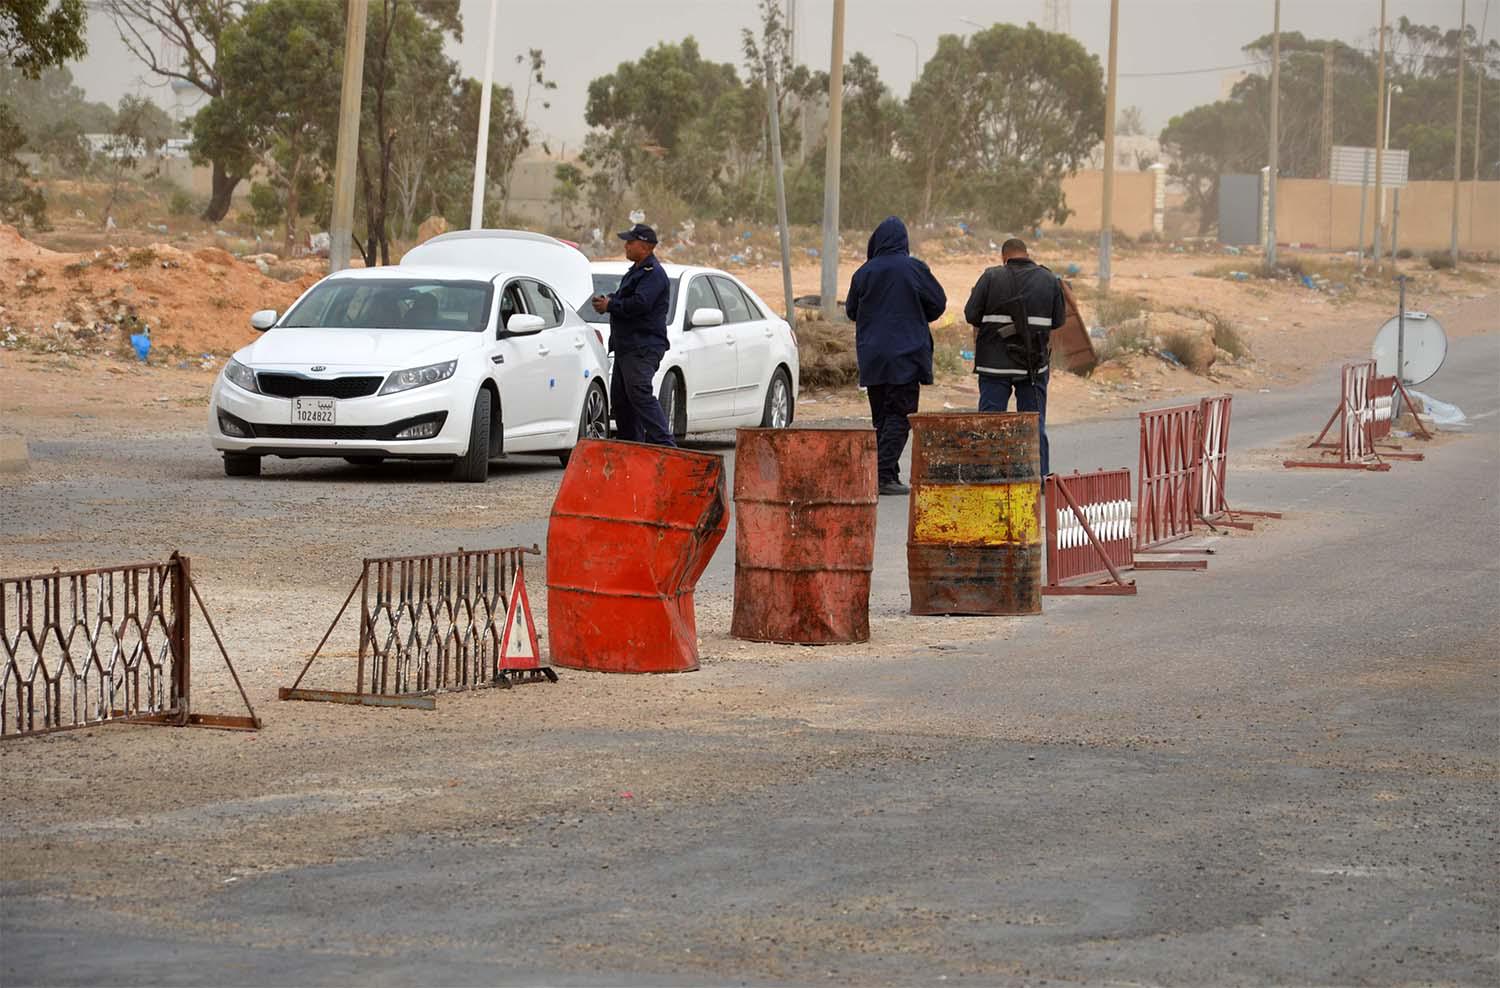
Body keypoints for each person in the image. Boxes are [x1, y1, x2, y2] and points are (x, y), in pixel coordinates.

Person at [844, 216, 947, 495]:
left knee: (881, 418)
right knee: (901, 416)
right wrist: (915, 312)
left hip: (873, 357)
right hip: (907, 355)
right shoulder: (914, 269)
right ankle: (881, 475)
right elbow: (938, 303)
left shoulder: (863, 273)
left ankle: (885, 473)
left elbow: (851, 311)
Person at [963, 238, 1066, 476]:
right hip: (1033, 366)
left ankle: (986, 476)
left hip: (993, 366)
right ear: (1027, 253)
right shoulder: (1049, 280)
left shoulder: (991, 277)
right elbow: (1059, 321)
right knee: (1033, 423)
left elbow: (971, 315)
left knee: (990, 423)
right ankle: (1038, 477)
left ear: (1004, 257)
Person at [591, 223, 676, 447]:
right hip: (626, 347)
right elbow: (626, 297)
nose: (626, 246)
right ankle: (631, 448)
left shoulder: (653, 274)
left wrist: (611, 305)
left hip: (642, 347)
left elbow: (640, 304)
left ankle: (666, 445)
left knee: (639, 393)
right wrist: (609, 299)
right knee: (622, 401)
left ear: (646, 247)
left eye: (631, 242)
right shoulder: (636, 271)